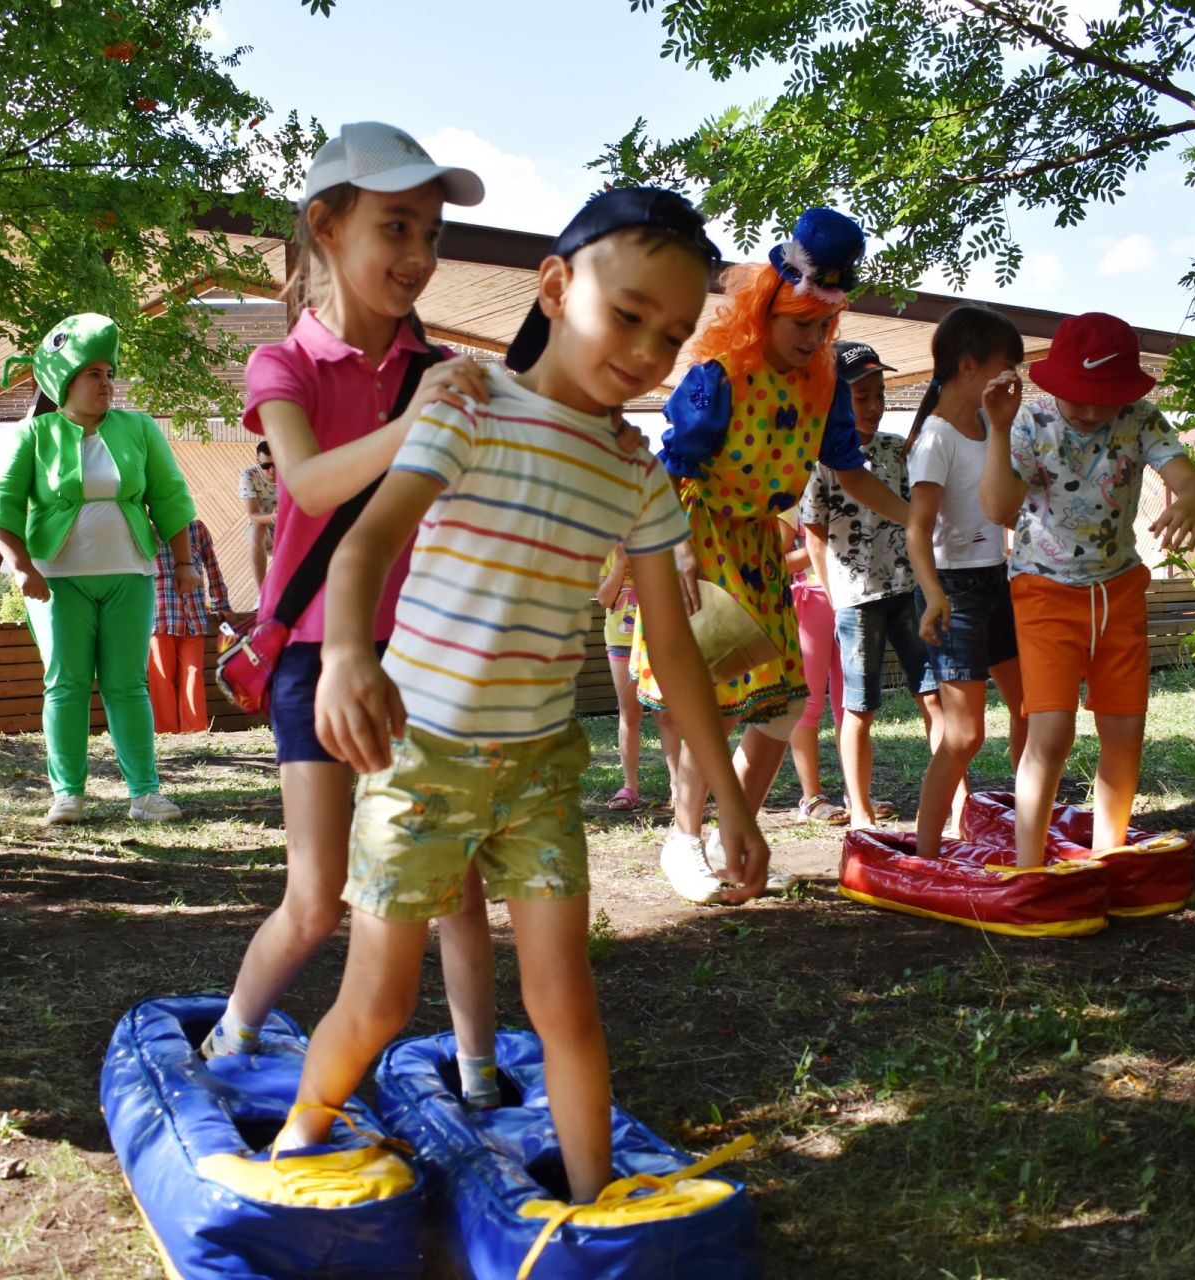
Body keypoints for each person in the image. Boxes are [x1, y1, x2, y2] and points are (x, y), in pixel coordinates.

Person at [282, 187, 772, 1206]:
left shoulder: (636, 473)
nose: (648, 350)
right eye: (629, 314)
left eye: (673, 335)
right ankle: (294, 1141)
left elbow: (674, 648)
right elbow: (365, 541)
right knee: (375, 1001)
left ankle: (593, 1205)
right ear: (554, 286)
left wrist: (728, 794)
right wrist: (342, 658)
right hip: (419, 760)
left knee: (567, 1004)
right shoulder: (470, 407)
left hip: (540, 772)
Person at [203, 123, 506, 1108]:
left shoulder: (448, 366)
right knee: (317, 896)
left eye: (432, 231)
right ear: (328, 228)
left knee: (456, 879)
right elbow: (308, 480)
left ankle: (479, 1071)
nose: (420, 254)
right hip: (313, 658)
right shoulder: (281, 363)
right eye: (396, 226)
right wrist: (417, 418)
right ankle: (230, 1037)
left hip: (426, 653)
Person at [630, 209, 914, 903]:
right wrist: (670, 549)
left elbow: (850, 472)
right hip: (699, 538)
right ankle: (684, 840)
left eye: (825, 327)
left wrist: (918, 520)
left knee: (781, 709)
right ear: (764, 310)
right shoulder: (718, 378)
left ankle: (738, 843)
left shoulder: (821, 387)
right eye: (801, 326)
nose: (814, 340)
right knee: (714, 703)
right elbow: (671, 468)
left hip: (759, 545)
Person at [979, 312, 1195, 865]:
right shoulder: (1030, 425)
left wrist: (1189, 503)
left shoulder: (1139, 419)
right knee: (1051, 734)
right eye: (1076, 395)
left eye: (1100, 398)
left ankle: (1109, 857)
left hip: (1118, 593)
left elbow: (1192, 483)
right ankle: (1029, 865)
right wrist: (995, 428)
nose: (1086, 411)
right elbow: (999, 509)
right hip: (1043, 592)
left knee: (1125, 729)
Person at [0, 313, 199, 824]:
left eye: (108, 372)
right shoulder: (33, 435)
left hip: (131, 575)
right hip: (57, 581)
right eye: (93, 373)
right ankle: (68, 795)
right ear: (65, 380)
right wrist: (21, 567)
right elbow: (0, 507)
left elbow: (170, 497)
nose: (107, 383)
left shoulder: (140, 428)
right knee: (66, 683)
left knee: (128, 684)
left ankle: (145, 795)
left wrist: (184, 563)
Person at [902, 308, 1030, 856]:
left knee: (1032, 710)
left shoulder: (988, 426)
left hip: (997, 582)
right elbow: (917, 531)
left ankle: (1026, 823)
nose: (1014, 379)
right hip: (954, 593)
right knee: (963, 735)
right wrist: (933, 595)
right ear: (970, 365)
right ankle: (925, 852)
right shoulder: (935, 437)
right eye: (1007, 366)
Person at [798, 341, 932, 829]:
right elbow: (814, 538)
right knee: (859, 707)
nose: (874, 406)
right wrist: (836, 601)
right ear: (835, 400)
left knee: (933, 696)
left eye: (879, 394)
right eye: (861, 397)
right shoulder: (820, 460)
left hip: (907, 590)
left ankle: (956, 800)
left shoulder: (898, 450)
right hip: (856, 600)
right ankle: (861, 812)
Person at [782, 510, 848, 825]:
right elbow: (778, 558)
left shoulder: (850, 478)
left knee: (852, 701)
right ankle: (812, 798)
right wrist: (820, 546)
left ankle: (858, 793)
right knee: (808, 702)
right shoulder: (788, 493)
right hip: (810, 600)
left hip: (852, 596)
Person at [148, 515, 232, 734]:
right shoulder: (144, 528)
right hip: (159, 616)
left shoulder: (196, 528)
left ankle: (195, 732)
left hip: (193, 614)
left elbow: (211, 565)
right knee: (161, 676)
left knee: (193, 672)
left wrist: (221, 602)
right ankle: (165, 734)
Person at [594, 549, 649, 811]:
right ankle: (630, 787)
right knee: (629, 713)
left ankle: (677, 787)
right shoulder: (609, 551)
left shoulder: (660, 548)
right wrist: (621, 563)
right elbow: (604, 599)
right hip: (621, 643)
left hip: (658, 641)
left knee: (668, 715)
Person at [239, 438, 277, 592]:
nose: (272, 471)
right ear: (257, 461)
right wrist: (274, 517)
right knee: (256, 528)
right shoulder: (249, 475)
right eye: (266, 465)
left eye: (276, 464)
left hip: (293, 530)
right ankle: (262, 594)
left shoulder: (291, 471)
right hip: (266, 531)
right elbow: (253, 515)